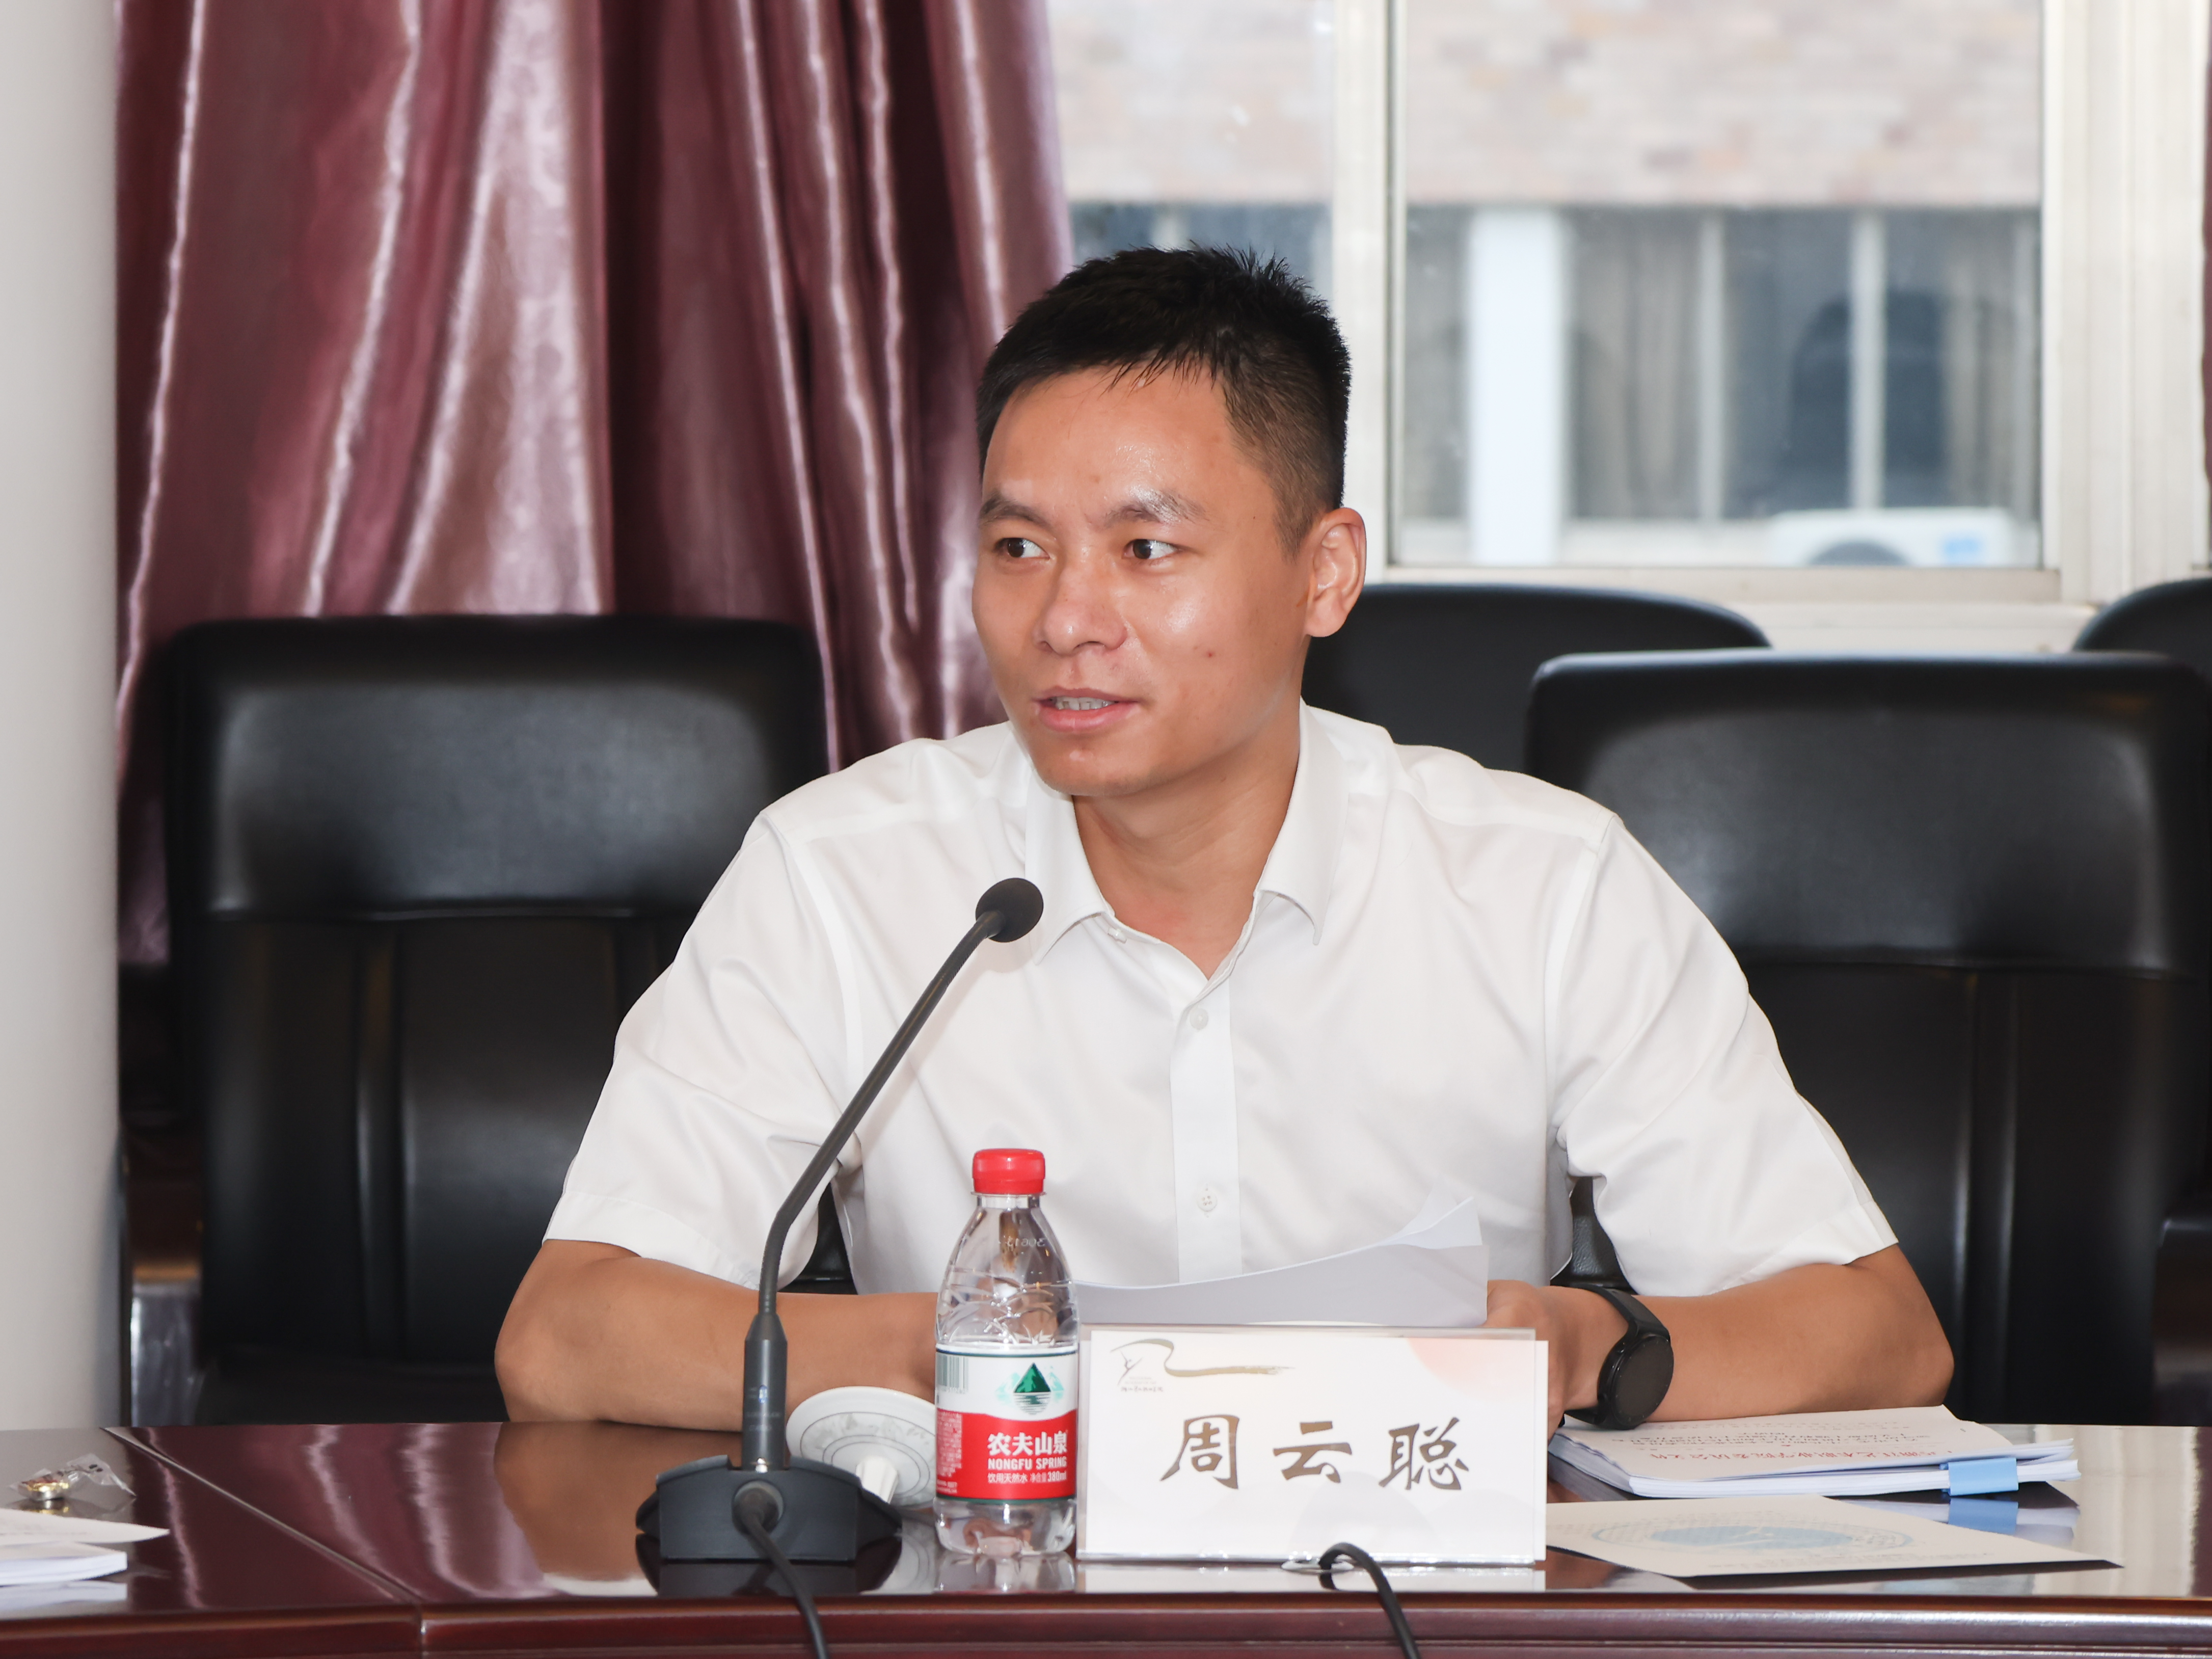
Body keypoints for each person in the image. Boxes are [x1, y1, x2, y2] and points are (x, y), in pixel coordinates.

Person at [497, 247, 1952, 1431]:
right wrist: (977, 1350)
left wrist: (1588, 1350)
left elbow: (1879, 1333)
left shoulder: (1544, 885)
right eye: (1018, 547)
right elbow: (567, 1338)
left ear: (1325, 574)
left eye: (1147, 549)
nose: (1067, 618)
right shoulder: (844, 872)